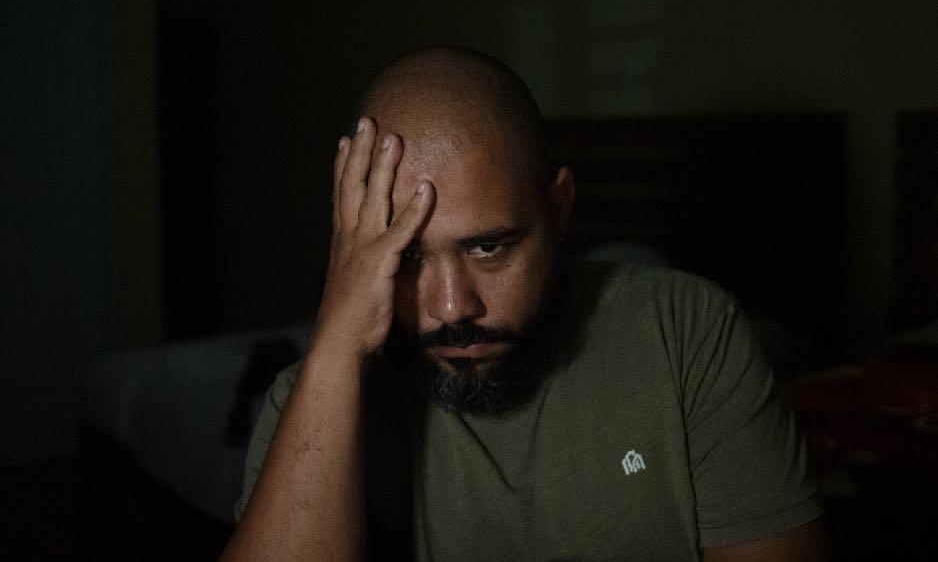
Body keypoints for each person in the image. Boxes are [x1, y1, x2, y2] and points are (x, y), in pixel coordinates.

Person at [220, 46, 828, 561]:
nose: (451, 308)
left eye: (488, 248)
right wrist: (336, 346)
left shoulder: (685, 332)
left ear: (558, 209)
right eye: (405, 257)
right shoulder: (315, 395)